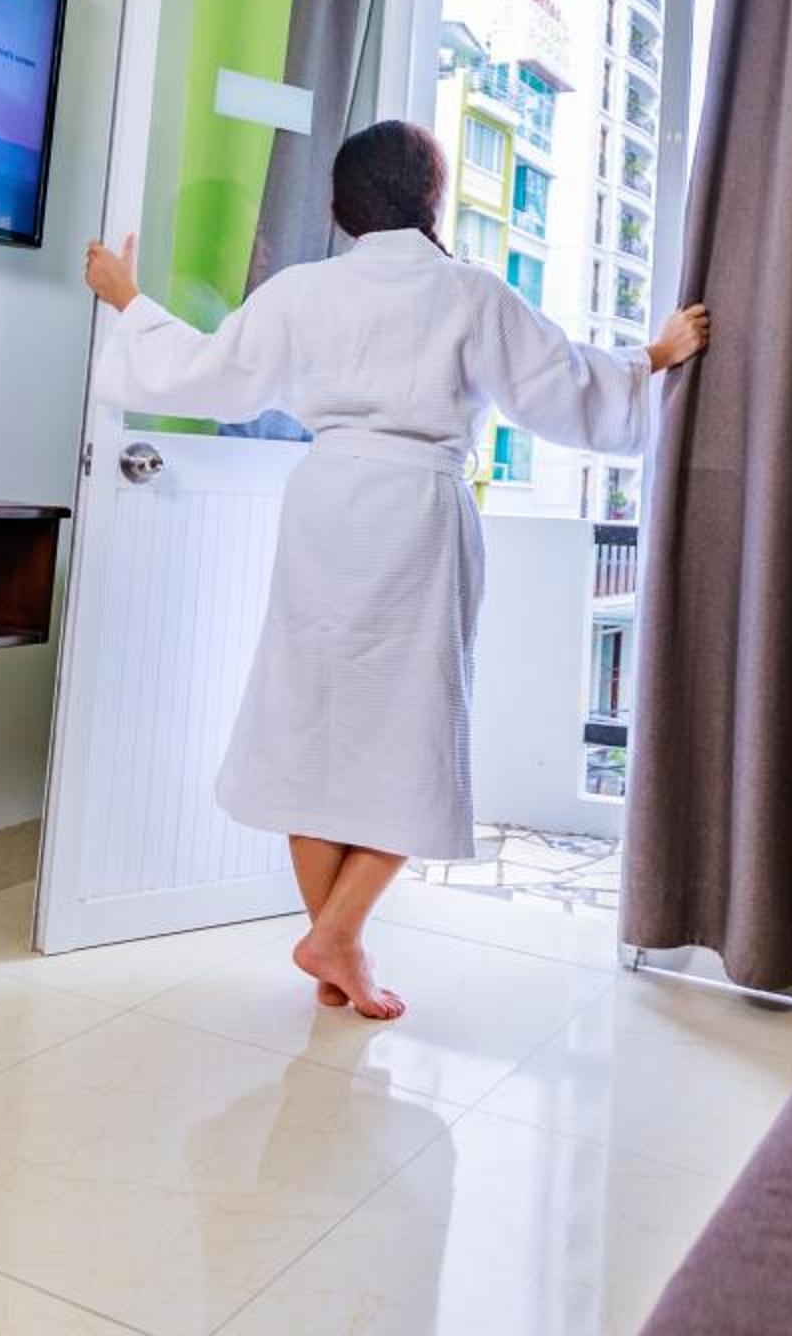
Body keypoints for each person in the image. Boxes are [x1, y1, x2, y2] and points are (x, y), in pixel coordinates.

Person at [84, 119, 710, 1020]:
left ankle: (334, 941)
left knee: (308, 725)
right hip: (417, 513)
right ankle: (337, 937)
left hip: (326, 506)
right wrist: (651, 358)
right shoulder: (467, 292)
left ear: (341, 206)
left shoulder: (302, 292)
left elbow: (208, 374)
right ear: (432, 198)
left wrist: (130, 301)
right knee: (414, 733)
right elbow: (563, 387)